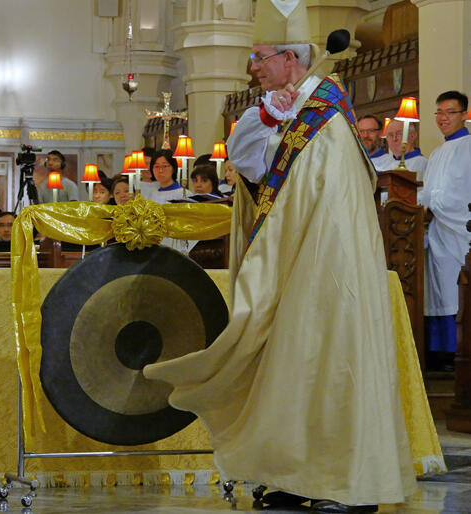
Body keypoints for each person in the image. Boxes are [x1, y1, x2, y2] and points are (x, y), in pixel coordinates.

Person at [145, 1, 416, 512]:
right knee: (289, 363)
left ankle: (343, 481)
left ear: (291, 59)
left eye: (260, 56)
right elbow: (245, 161)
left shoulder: (327, 116)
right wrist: (270, 113)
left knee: (332, 360)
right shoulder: (281, 109)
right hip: (294, 264)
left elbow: (329, 198)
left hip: (330, 268)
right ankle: (294, 473)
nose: (254, 65)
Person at [419, 90, 471, 371]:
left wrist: (438, 205)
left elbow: (458, 193)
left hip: (461, 231)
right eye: (439, 112)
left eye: (449, 112)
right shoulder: (437, 153)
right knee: (436, 290)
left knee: (455, 290)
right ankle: (438, 352)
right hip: (437, 231)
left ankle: (457, 350)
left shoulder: (469, 147)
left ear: (464, 115)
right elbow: (429, 193)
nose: (443, 118)